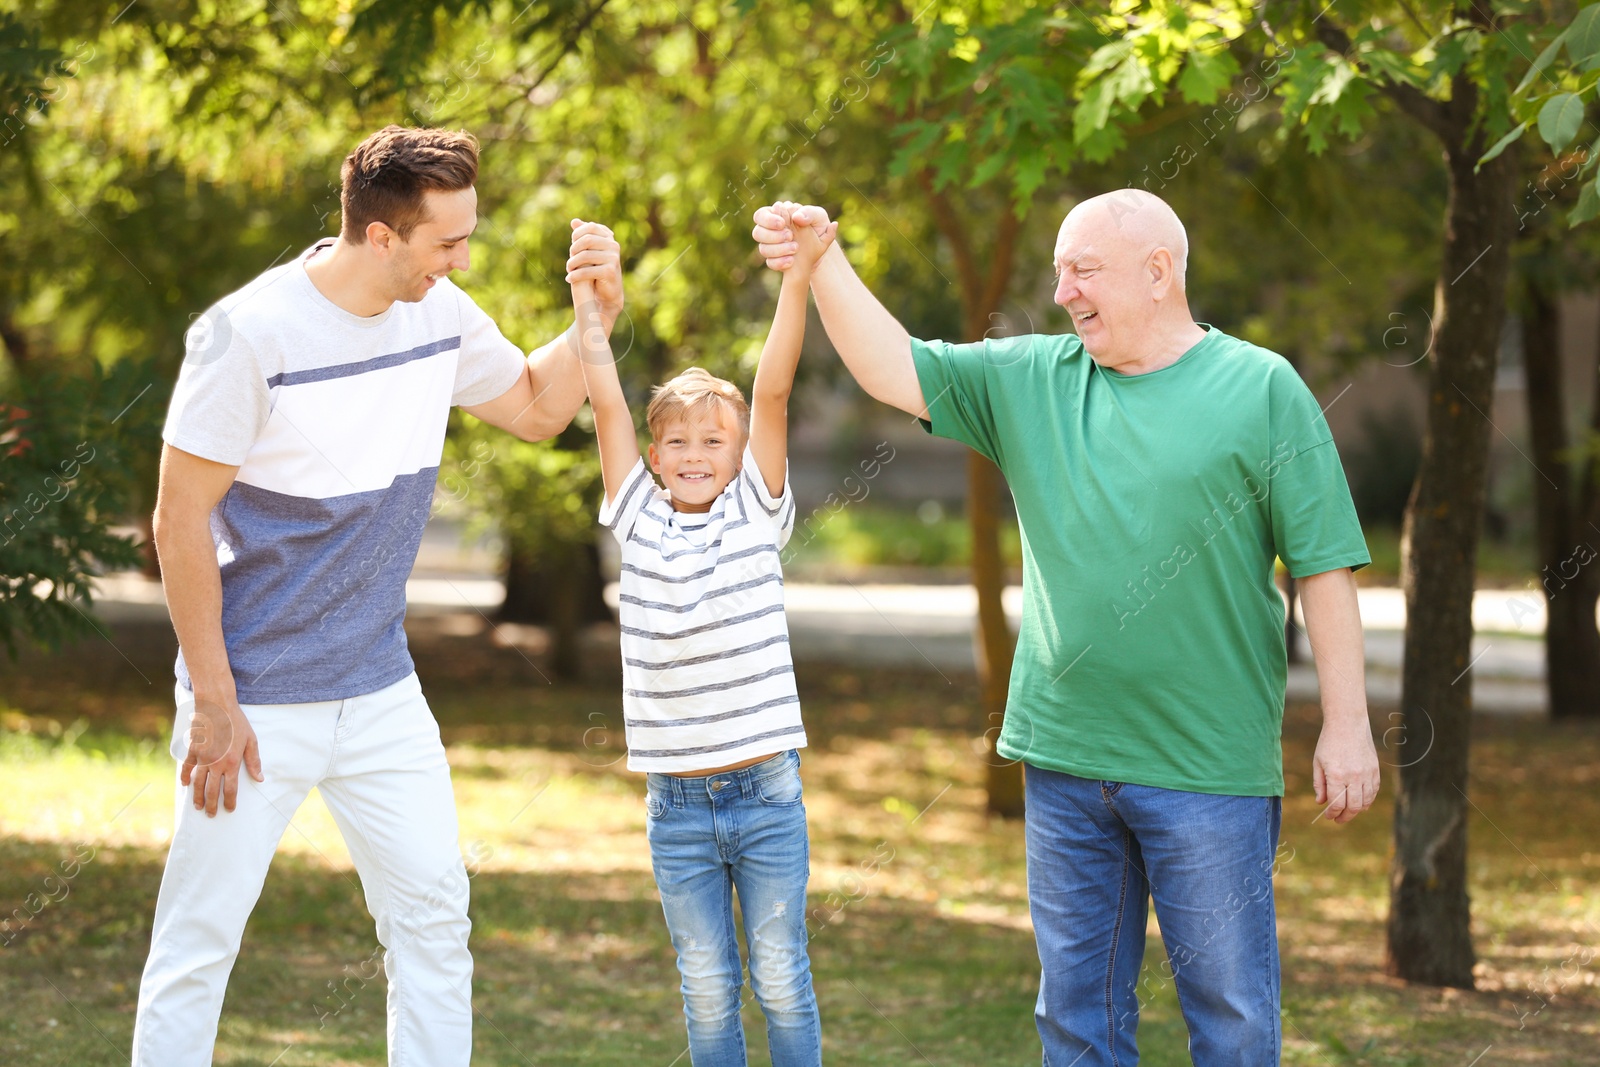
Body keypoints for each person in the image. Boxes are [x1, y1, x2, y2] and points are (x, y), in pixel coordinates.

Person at [752, 190, 1380, 1066]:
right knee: (1076, 1024)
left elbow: (1323, 563)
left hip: (1209, 774)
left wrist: (1347, 724)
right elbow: (892, 365)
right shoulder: (1035, 380)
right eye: (1058, 272)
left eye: (1083, 269)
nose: (1063, 291)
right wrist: (824, 259)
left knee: (1233, 1022)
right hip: (1065, 764)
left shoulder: (1262, 387)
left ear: (1159, 272)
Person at [132, 125, 623, 1067]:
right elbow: (176, 519)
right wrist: (217, 703)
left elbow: (533, 408)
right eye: (447, 242)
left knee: (436, 921)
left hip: (381, 687)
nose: (462, 260)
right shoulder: (250, 333)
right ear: (383, 236)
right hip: (255, 701)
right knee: (200, 941)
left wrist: (588, 323)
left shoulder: (436, 313)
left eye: (466, 238)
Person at [569, 204, 832, 1067]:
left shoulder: (757, 512)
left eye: (713, 440)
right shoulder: (637, 517)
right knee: (708, 980)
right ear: (651, 457)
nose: (694, 451)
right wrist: (586, 307)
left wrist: (795, 279)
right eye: (676, 439)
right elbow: (605, 397)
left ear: (740, 452)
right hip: (675, 804)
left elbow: (774, 388)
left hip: (764, 793)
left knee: (783, 975)